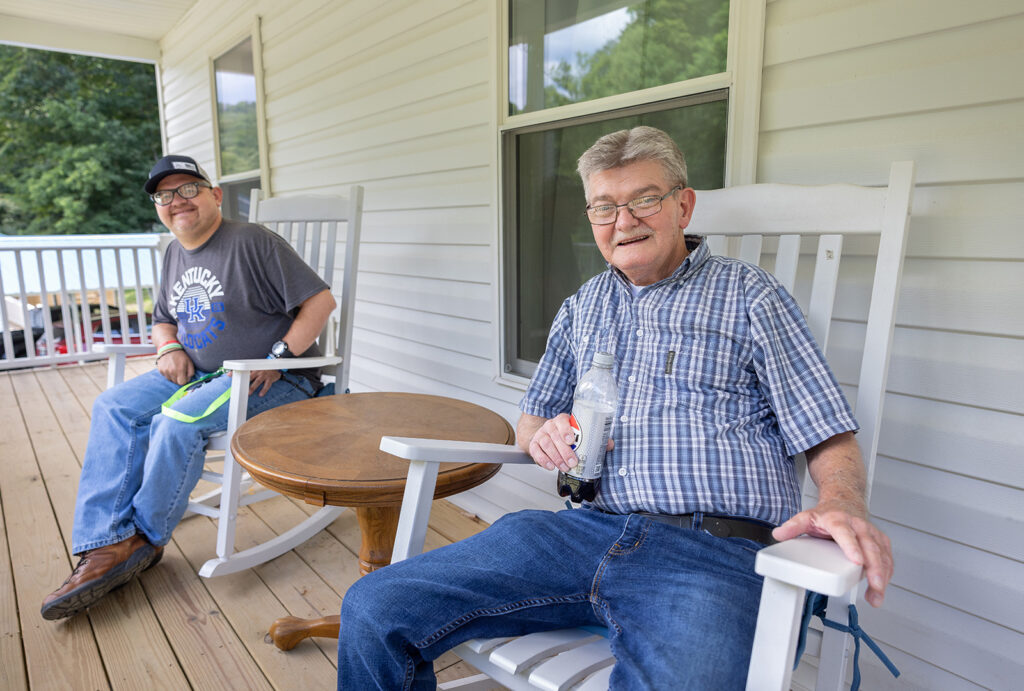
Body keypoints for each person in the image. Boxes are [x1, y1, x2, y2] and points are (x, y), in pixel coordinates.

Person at [336, 127, 893, 689]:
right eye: (605, 207)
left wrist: (842, 503)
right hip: (578, 534)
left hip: (712, 555)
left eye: (644, 199)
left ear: (683, 205)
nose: (624, 221)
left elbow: (824, 429)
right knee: (374, 607)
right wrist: (543, 435)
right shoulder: (582, 306)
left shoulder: (750, 295)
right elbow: (533, 420)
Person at [41, 155, 337, 620]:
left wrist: (277, 357)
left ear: (215, 195)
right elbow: (163, 320)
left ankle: (141, 540)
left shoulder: (253, 242)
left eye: (188, 190)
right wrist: (166, 349)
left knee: (177, 421)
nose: (177, 201)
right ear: (158, 207)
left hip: (269, 379)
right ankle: (104, 544)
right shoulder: (174, 252)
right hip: (199, 373)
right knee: (113, 406)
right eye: (165, 195)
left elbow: (321, 301)